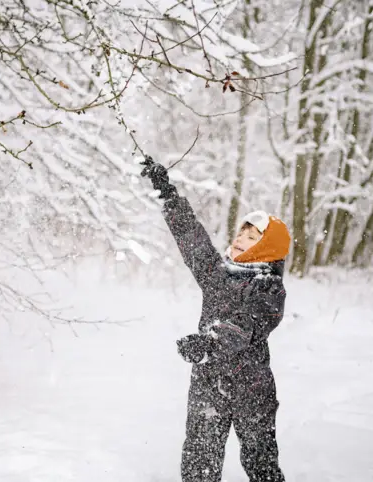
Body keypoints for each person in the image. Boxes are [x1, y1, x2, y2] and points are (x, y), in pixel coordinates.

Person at [140, 157, 290, 482]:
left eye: (251, 238)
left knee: (260, 463)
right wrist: (167, 196)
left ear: (268, 248)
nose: (239, 240)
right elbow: (193, 240)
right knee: (199, 462)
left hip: (252, 388)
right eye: (241, 233)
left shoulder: (269, 288)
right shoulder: (218, 275)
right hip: (208, 383)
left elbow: (246, 326)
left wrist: (210, 343)